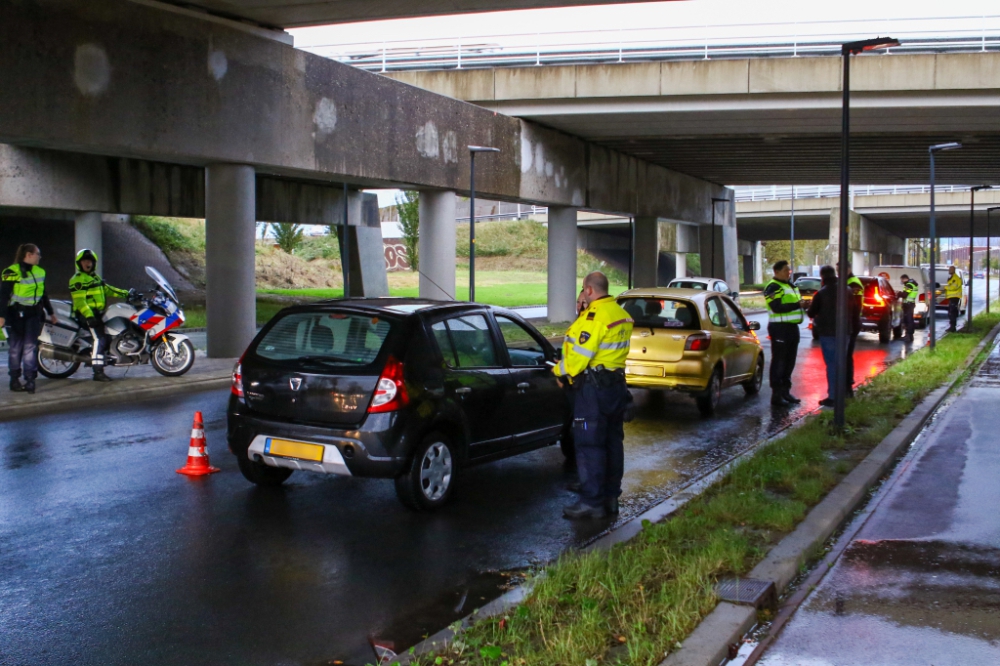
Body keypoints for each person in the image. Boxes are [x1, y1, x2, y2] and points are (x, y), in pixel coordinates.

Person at [554, 271, 633, 520]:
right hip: (615, 386)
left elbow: (578, 358)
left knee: (589, 445)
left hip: (593, 390)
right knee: (612, 442)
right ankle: (610, 497)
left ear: (588, 290)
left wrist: (558, 371)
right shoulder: (621, 314)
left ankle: (591, 502)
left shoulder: (594, 317)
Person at [0, 244, 57, 394]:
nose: (39, 257)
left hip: (33, 314)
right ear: (29, 254)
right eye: (38, 254)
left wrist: (51, 312)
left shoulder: (40, 272)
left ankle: (30, 380)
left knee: (30, 348)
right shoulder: (11, 271)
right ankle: (14, 380)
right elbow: (3, 295)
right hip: (15, 314)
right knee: (15, 348)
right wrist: (1, 316)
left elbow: (43, 294)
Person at [69, 249, 130, 382]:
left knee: (109, 335)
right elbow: (80, 302)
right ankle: (97, 371)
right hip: (85, 314)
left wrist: (127, 293)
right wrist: (89, 316)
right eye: (84, 261)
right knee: (100, 338)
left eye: (89, 261)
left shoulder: (94, 278)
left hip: (97, 313)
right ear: (79, 263)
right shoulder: (78, 280)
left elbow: (107, 289)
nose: (87, 263)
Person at [763, 260, 805, 406]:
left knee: (789, 361)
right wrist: (797, 305)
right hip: (779, 328)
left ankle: (786, 392)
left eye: (789, 270)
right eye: (786, 270)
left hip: (792, 328)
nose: (789, 272)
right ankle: (777, 394)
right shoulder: (773, 287)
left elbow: (795, 304)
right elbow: (776, 307)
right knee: (779, 361)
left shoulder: (790, 285)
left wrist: (804, 305)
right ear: (777, 271)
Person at [807, 266, 839, 407]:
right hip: (845, 332)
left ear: (822, 277)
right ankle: (843, 393)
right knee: (841, 363)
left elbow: (811, 313)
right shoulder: (847, 290)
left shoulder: (822, 293)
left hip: (828, 332)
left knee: (831, 364)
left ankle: (833, 397)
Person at [844, 264, 864, 397]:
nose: (839, 272)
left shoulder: (853, 283)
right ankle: (846, 383)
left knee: (846, 355)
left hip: (851, 322)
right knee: (845, 355)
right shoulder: (846, 282)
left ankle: (848, 384)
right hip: (849, 322)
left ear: (849, 269)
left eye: (842, 269)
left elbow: (854, 306)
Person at [899, 274, 918, 341]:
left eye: (902, 280)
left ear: (905, 279)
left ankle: (908, 336)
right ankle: (910, 335)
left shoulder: (909, 285)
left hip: (908, 305)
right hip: (910, 304)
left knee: (908, 320)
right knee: (910, 320)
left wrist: (898, 293)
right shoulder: (912, 284)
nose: (901, 281)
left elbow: (904, 295)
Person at [945, 266, 963, 332]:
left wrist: (946, 287)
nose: (949, 270)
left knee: (952, 313)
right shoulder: (952, 278)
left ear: (953, 270)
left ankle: (952, 327)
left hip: (954, 298)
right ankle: (952, 327)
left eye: (950, 269)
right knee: (951, 312)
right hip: (952, 297)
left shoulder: (956, 278)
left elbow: (954, 287)